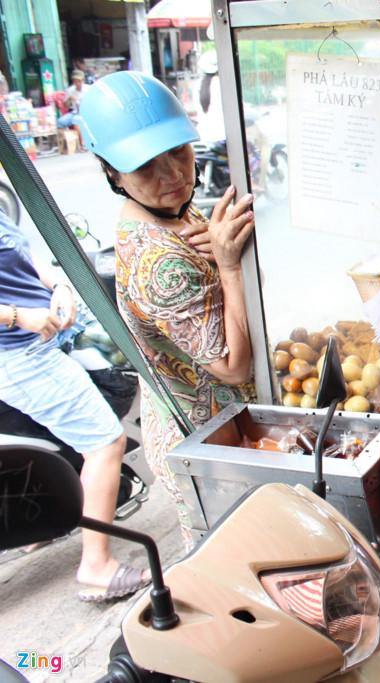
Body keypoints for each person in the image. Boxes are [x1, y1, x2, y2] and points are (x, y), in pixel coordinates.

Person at [78, 71, 256, 551]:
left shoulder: (179, 211)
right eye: (146, 167)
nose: (173, 175)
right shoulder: (158, 263)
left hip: (234, 434)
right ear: (112, 172)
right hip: (210, 450)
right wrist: (229, 267)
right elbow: (233, 364)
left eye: (178, 152)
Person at [0, 208, 149, 601]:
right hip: (20, 354)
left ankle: (44, 526)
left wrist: (57, 286)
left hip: (42, 337)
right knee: (104, 443)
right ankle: (97, 567)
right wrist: (16, 316)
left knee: (59, 439)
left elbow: (18, 256)